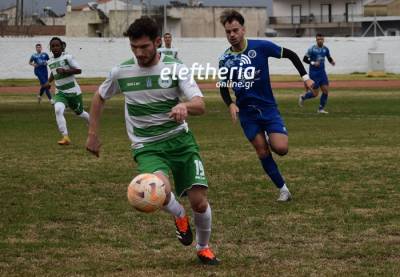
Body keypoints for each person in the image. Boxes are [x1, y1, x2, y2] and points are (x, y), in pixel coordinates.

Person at [86, 17, 219, 265]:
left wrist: (184, 105)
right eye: (134, 47)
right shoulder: (121, 72)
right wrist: (93, 134)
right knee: (158, 190)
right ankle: (179, 215)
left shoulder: (176, 68)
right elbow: (98, 97)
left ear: (158, 42)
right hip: (147, 146)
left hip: (181, 142)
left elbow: (201, 105)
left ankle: (203, 247)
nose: (139, 53)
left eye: (144, 47)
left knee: (199, 203)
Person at [218, 10, 314, 202]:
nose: (232, 35)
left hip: (268, 108)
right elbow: (222, 86)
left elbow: (292, 55)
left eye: (235, 30)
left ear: (243, 30)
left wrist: (306, 78)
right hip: (247, 113)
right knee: (262, 150)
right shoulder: (225, 59)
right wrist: (230, 104)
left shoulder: (261, 47)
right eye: (228, 32)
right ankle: (283, 189)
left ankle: (271, 134)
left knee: (281, 148)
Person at [43, 37, 90, 145]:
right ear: (50, 48)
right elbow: (53, 73)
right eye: (53, 46)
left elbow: (79, 70)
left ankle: (92, 125)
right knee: (58, 110)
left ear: (61, 47)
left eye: (57, 45)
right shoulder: (50, 61)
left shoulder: (68, 57)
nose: (55, 48)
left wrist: (65, 70)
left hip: (73, 92)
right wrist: (48, 82)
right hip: (60, 92)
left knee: (80, 113)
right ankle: (65, 137)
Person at [298, 33, 335, 114]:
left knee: (325, 91)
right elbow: (304, 59)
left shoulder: (326, 49)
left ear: (323, 40)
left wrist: (331, 61)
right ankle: (303, 97)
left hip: (322, 73)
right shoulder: (312, 49)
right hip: (314, 73)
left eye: (321, 39)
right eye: (318, 39)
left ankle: (320, 109)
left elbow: (328, 57)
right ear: (316, 40)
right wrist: (313, 63)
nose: (320, 41)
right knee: (315, 94)